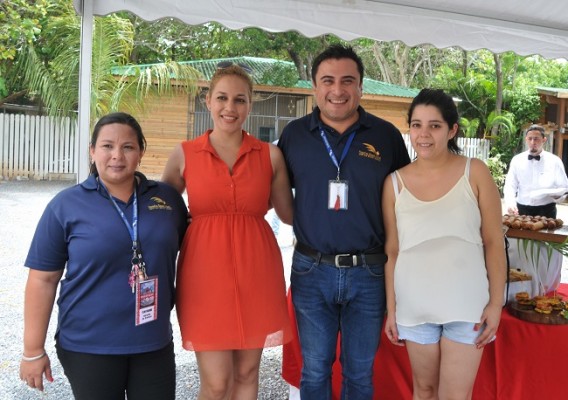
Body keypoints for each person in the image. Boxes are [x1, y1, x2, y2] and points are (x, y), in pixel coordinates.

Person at [19, 112, 188, 399]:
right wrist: (33, 351)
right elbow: (43, 280)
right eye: (107, 146)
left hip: (153, 343)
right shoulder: (66, 206)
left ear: (140, 152)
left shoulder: (167, 199)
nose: (116, 156)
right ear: (92, 151)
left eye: (128, 147)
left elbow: (196, 254)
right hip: (89, 345)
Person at [278, 44, 411, 399]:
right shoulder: (293, 136)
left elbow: (405, 201)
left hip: (369, 271)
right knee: (315, 369)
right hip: (311, 269)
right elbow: (280, 199)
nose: (337, 90)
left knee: (359, 373)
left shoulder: (386, 136)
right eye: (328, 81)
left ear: (361, 87)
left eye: (347, 81)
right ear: (314, 86)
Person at [161, 64, 293, 400]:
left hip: (257, 272)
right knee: (217, 382)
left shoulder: (270, 155)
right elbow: (160, 213)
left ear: (251, 104)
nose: (229, 108)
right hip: (204, 275)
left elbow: (289, 214)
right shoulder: (184, 154)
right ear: (208, 101)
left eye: (239, 100)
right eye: (222, 98)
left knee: (248, 374)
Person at [382, 89, 506, 400]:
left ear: (451, 130)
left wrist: (495, 303)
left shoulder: (474, 171)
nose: (424, 134)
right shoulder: (394, 183)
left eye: (434, 126)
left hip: (467, 306)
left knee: (455, 396)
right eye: (416, 125)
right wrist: (392, 308)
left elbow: (494, 241)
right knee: (423, 391)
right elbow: (392, 250)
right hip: (414, 304)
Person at [503, 124, 568, 218]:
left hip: (547, 210)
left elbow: (564, 187)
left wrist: (557, 196)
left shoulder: (555, 161)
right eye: (530, 139)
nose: (533, 142)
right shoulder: (517, 160)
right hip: (521, 209)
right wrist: (510, 203)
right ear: (526, 139)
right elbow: (510, 185)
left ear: (544, 140)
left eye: (536, 139)